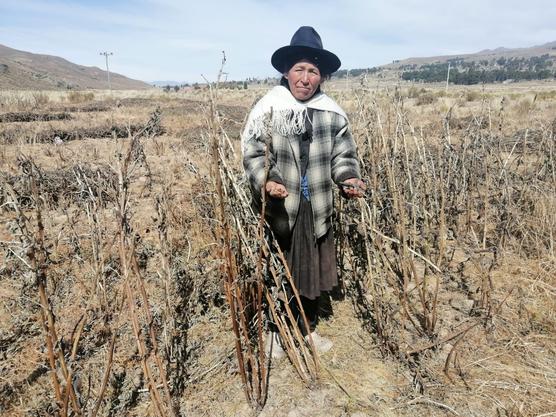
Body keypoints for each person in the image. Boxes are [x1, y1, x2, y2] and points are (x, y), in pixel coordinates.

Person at [241, 26, 365, 357]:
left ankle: (306, 329)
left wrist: (348, 177)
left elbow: (343, 155)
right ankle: (273, 332)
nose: (305, 78)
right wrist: (268, 181)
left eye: (313, 71)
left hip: (317, 205)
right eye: (299, 69)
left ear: (321, 77)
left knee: (310, 272)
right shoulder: (270, 108)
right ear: (286, 71)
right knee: (276, 268)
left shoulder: (331, 112)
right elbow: (254, 152)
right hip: (281, 209)